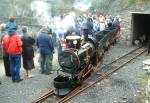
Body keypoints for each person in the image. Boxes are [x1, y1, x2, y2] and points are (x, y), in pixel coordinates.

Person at [2, 18, 23, 83]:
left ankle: (13, 79)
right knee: (17, 66)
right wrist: (20, 50)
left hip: (10, 53)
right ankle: (17, 78)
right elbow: (20, 44)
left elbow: (4, 46)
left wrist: (7, 50)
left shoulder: (6, 37)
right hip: (17, 53)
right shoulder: (17, 36)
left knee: (12, 65)